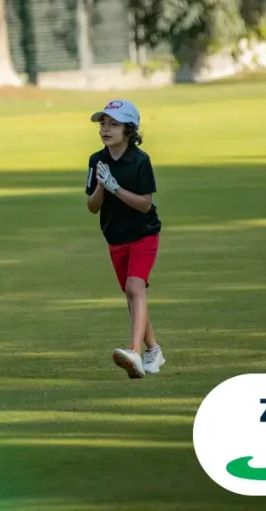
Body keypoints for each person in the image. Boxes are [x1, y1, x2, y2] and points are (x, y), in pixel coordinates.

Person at [85, 99, 165, 379]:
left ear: (129, 130)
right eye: (103, 124)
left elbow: (145, 204)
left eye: (114, 124)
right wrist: (101, 187)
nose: (105, 129)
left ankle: (134, 352)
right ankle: (153, 349)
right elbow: (92, 206)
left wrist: (115, 187)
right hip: (115, 237)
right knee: (132, 295)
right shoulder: (97, 160)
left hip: (143, 233)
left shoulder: (140, 161)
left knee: (135, 287)